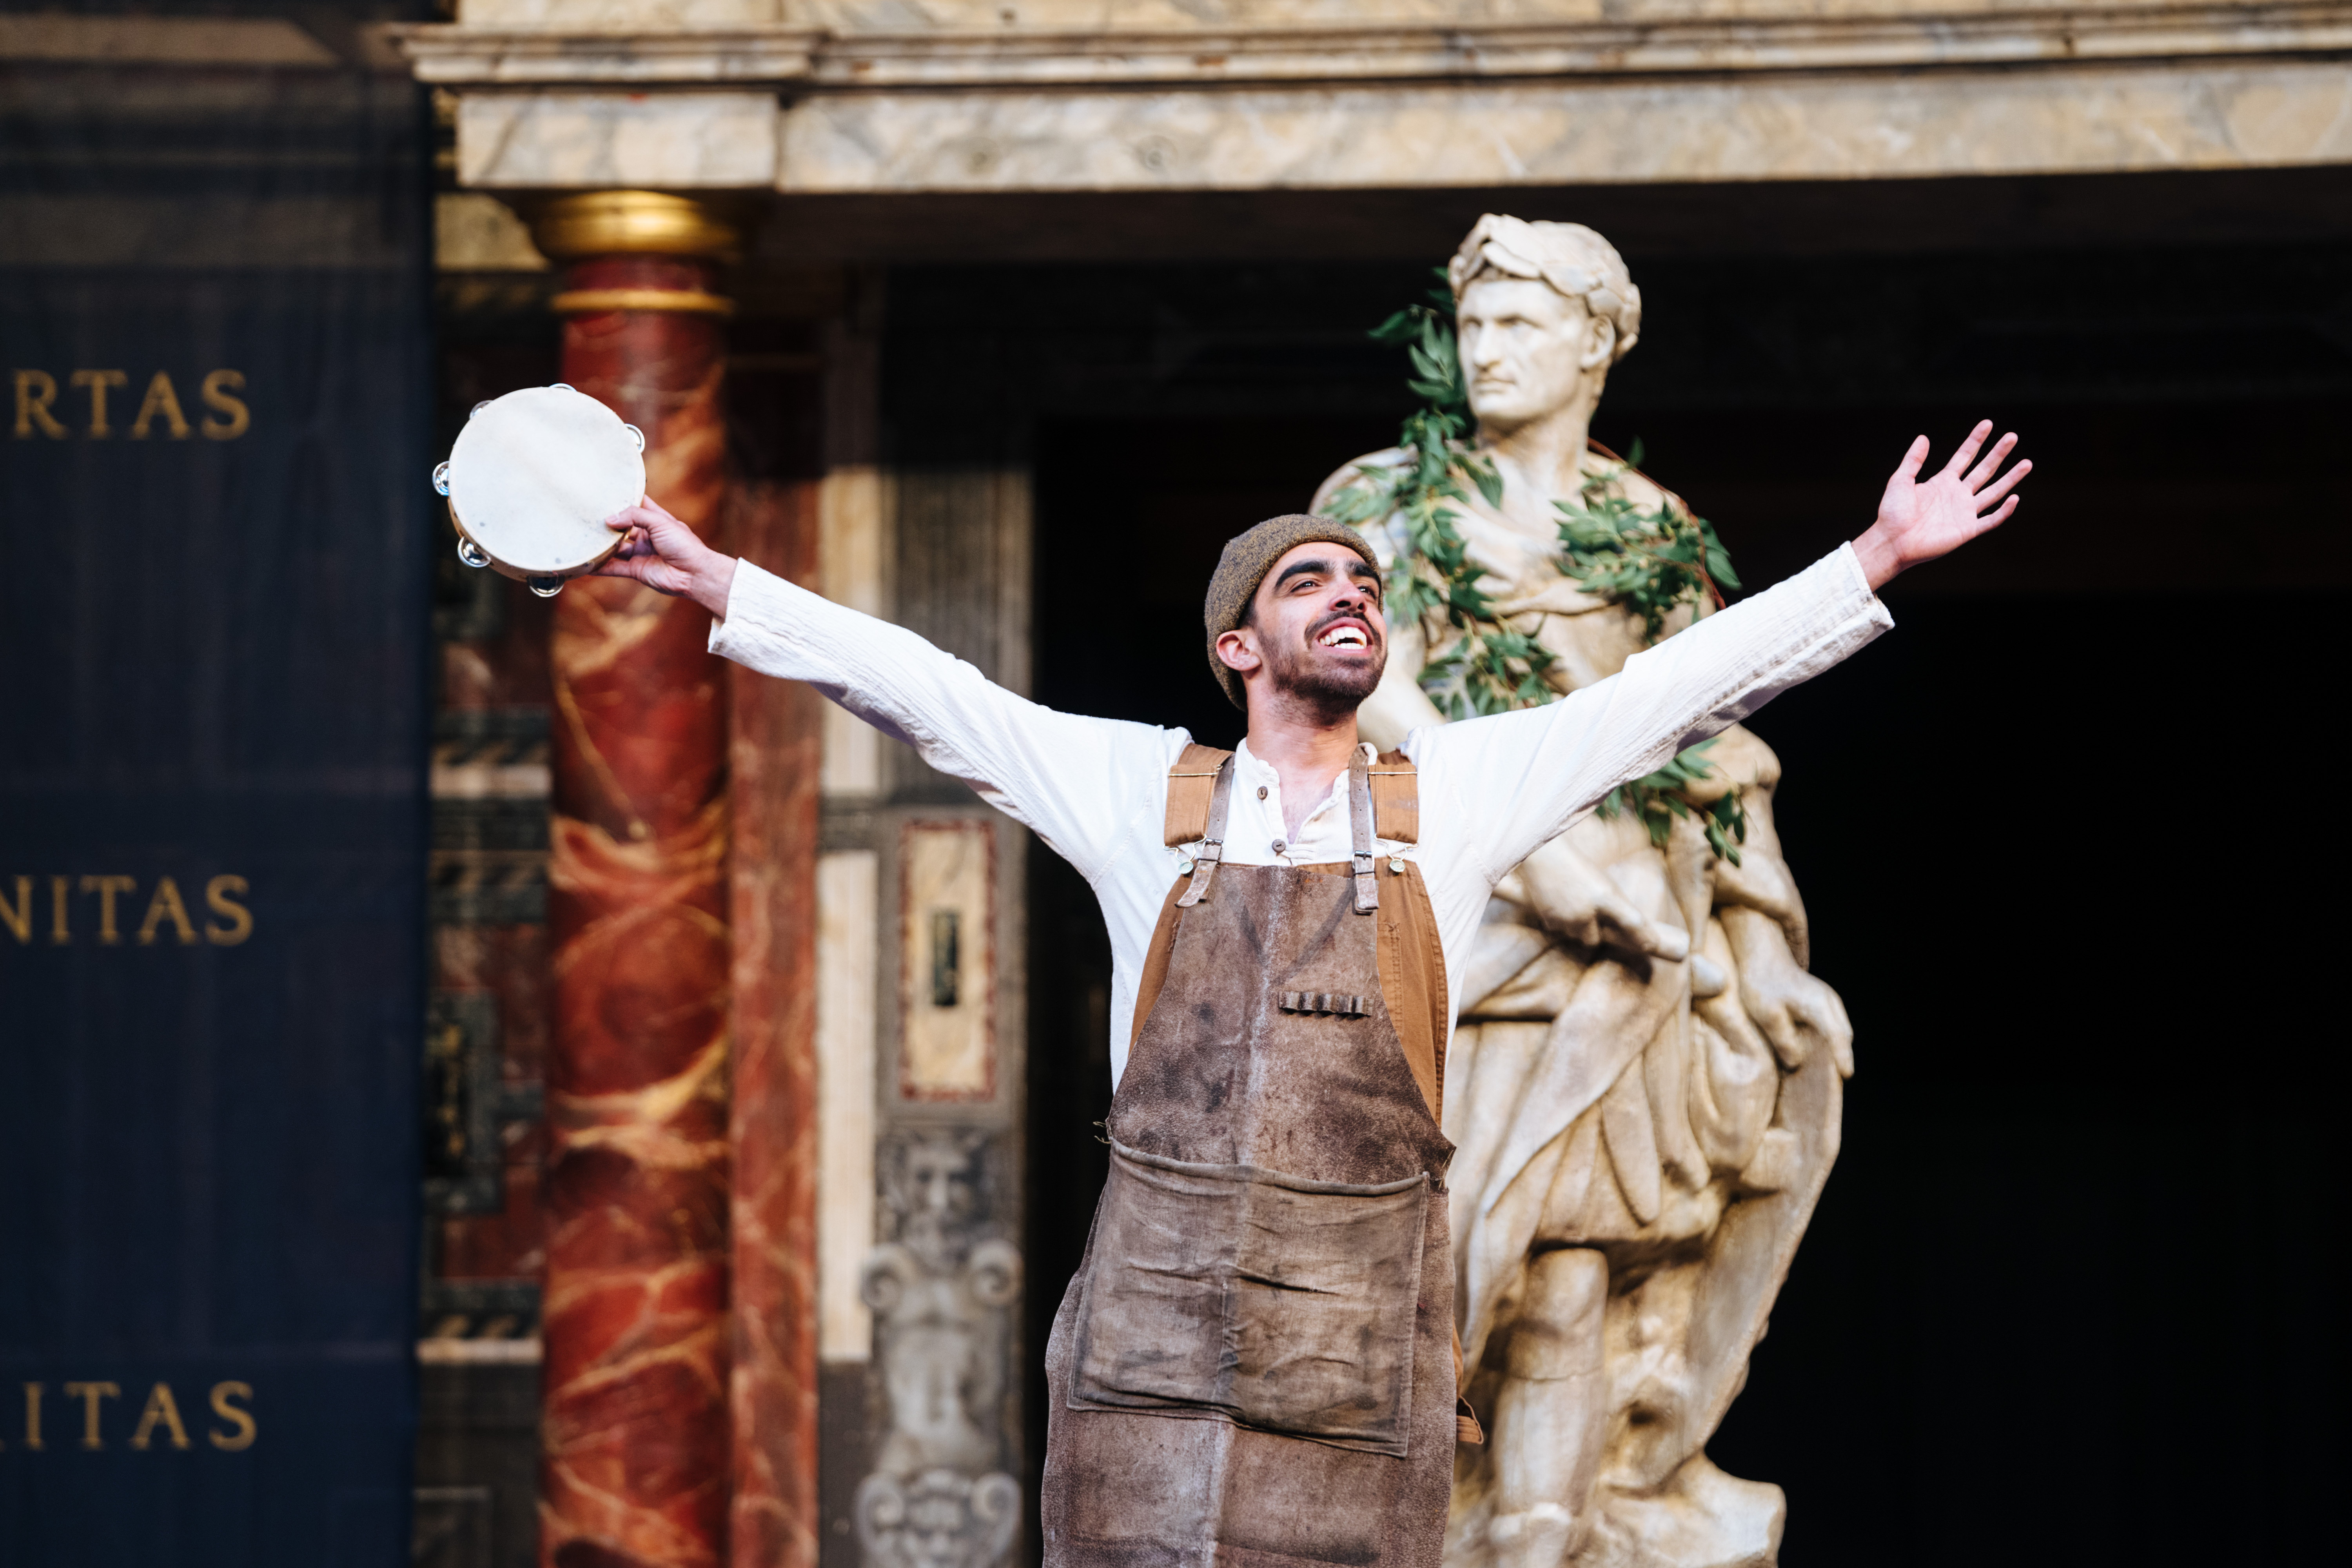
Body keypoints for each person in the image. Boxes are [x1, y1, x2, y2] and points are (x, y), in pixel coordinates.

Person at [592, 416, 2027, 1568]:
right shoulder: (1139, 790)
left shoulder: (1451, 793)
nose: (1353, 597)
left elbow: (1668, 696)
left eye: (1366, 588)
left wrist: (1874, 559)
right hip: (1153, 1339)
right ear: (1238, 648)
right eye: (1311, 583)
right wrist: (718, 581)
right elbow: (925, 690)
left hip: (1355, 1341)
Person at [1309, 215, 1870, 1567]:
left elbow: (1712, 749)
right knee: (1421, 1262)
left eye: (1520, 324)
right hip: (1459, 920)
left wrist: (1765, 948)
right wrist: (1531, 853)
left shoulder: (1648, 529)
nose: (1486, 350)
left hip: (1624, 940)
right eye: (1473, 324)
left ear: (1595, 345)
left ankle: (1544, 1533)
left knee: (1571, 1271)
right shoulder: (1383, 503)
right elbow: (1362, 686)